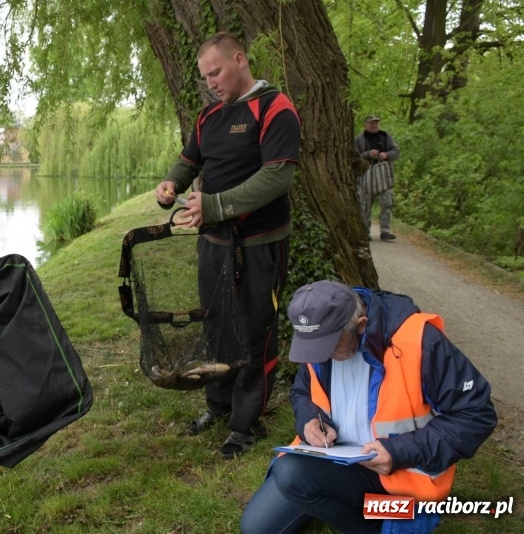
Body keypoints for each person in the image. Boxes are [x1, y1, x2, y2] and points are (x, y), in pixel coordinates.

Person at [240, 280, 497, 534]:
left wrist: (398, 451)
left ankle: (381, 521)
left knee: (291, 476)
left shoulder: (420, 342)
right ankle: (338, 499)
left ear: (360, 326)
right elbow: (302, 392)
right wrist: (310, 419)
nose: (320, 355)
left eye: (328, 347)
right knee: (256, 528)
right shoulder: (319, 339)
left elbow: (476, 414)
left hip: (401, 472)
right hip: (337, 458)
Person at [154, 32, 301, 458]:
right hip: (213, 243)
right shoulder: (208, 117)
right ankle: (217, 408)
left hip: (260, 244)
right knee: (216, 327)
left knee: (255, 334)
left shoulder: (276, 108)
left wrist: (215, 204)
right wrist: (171, 182)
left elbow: (277, 177)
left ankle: (244, 424)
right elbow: (189, 161)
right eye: (205, 77)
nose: (211, 83)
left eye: (215, 72)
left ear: (240, 59)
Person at [355, 115, 400, 241]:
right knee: (364, 204)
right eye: (371, 123)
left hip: (384, 175)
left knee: (387, 203)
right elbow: (354, 157)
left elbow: (396, 151)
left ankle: (385, 231)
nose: (374, 125)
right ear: (366, 124)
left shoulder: (386, 136)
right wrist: (367, 154)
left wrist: (387, 154)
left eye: (376, 123)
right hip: (366, 175)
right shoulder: (359, 139)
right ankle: (365, 231)